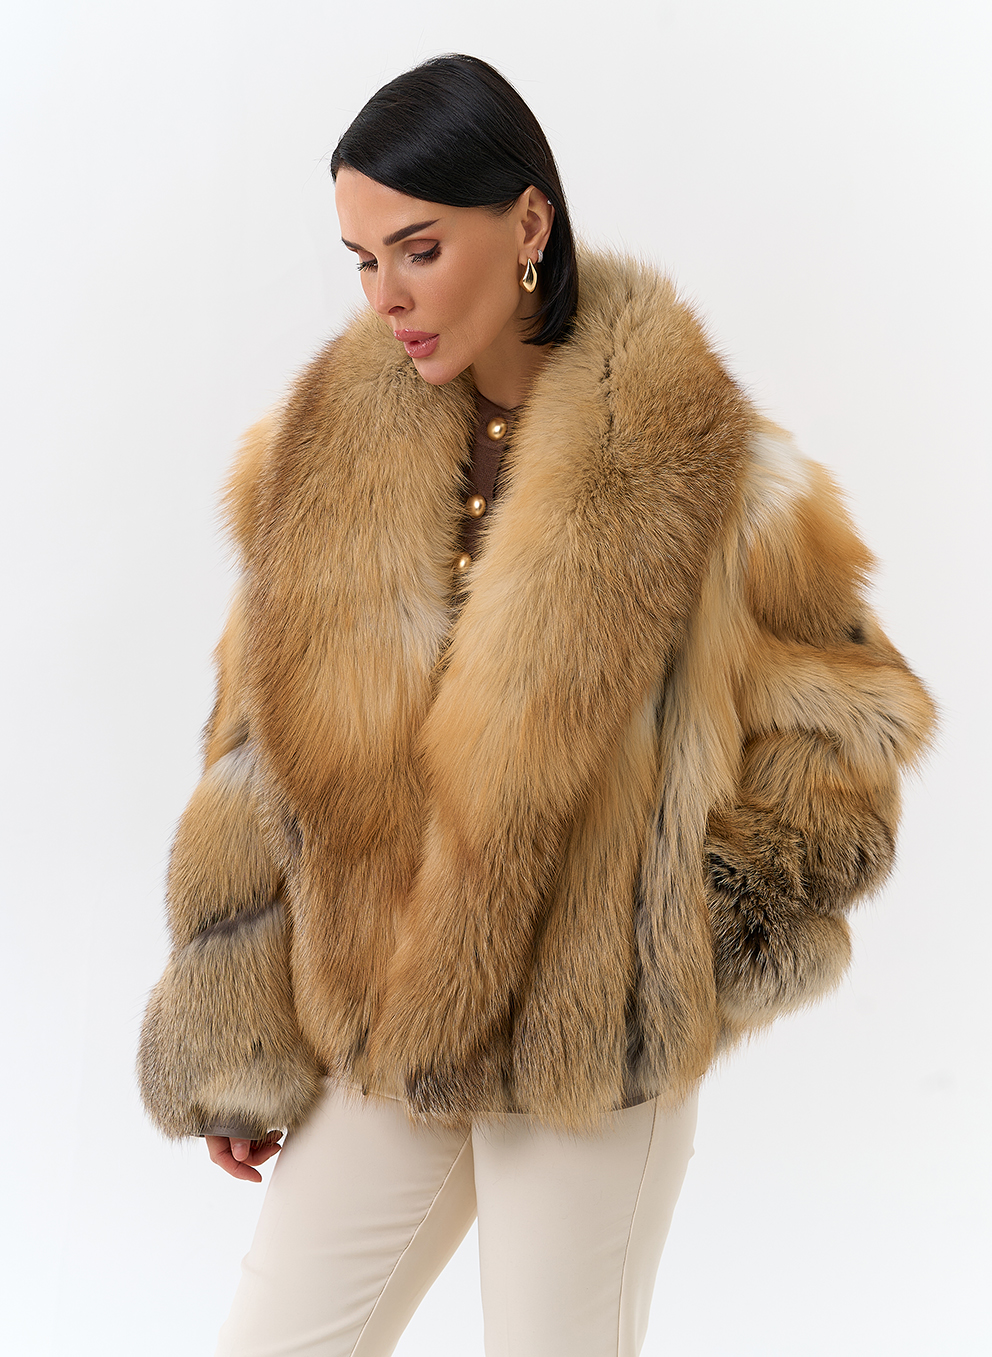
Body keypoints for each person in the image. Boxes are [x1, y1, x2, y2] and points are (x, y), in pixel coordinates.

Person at [137, 54, 935, 1357]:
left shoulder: (716, 476)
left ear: (526, 223)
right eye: (361, 259)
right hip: (383, 1021)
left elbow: (852, 730)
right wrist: (235, 1028)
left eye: (418, 248)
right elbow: (250, 756)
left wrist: (667, 950)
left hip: (583, 1063)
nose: (386, 295)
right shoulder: (312, 462)